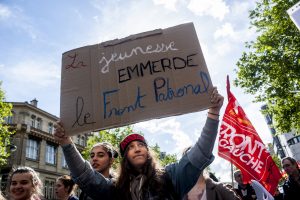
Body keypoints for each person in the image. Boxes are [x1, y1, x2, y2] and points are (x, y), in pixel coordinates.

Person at [54, 87, 223, 199]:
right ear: (125, 158)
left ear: (148, 152)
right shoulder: (115, 189)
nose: (137, 149)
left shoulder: (170, 176)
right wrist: (66, 143)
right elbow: (85, 175)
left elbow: (199, 154)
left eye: (141, 145)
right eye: (131, 147)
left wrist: (214, 112)